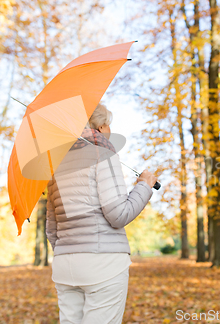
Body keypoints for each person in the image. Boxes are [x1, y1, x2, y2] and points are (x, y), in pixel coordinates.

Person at [46, 103, 158, 324]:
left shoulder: (54, 163)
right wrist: (144, 186)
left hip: (65, 266)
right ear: (102, 125)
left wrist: (71, 250)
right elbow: (118, 215)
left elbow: (52, 229)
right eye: (109, 125)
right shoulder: (102, 151)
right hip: (102, 264)